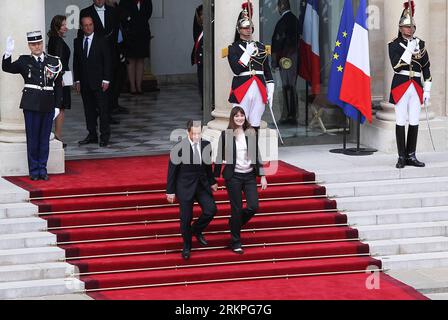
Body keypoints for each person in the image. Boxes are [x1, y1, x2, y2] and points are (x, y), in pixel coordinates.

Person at [2, 31, 62, 181]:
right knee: (33, 139)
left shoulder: (54, 61)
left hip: (48, 104)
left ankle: (43, 168)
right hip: (31, 104)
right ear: (29, 45)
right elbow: (7, 68)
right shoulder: (23, 61)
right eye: (33, 44)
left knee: (44, 139)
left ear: (43, 44)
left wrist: (57, 106)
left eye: (39, 43)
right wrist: (8, 52)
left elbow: (59, 86)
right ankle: (34, 170)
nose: (37, 46)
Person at [214, 107, 268, 254]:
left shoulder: (251, 133)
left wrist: (262, 175)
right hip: (234, 177)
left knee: (253, 206)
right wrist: (215, 178)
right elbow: (219, 156)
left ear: (245, 117)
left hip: (249, 175)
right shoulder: (226, 134)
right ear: (232, 118)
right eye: (236, 116)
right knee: (236, 209)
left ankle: (234, 224)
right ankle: (236, 242)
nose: (239, 118)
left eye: (242, 115)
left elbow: (257, 153)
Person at [166, 120, 218, 260]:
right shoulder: (179, 147)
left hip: (202, 186)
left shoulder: (206, 145)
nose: (197, 136)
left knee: (211, 210)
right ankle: (187, 246)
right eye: (194, 133)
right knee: (186, 218)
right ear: (188, 132)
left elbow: (207, 167)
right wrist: (170, 191)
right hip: (185, 187)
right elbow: (172, 171)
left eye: (199, 133)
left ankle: (196, 229)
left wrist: (212, 181)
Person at [388, 1, 431, 169]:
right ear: (400, 28)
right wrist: (408, 50)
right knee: (400, 120)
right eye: (406, 27)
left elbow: (426, 66)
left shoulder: (421, 43)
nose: (410, 29)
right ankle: (401, 156)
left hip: (417, 86)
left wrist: (427, 88)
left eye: (412, 26)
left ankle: (411, 155)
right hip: (401, 85)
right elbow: (396, 66)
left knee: (414, 121)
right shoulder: (393, 44)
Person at [228, 3, 274, 130]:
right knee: (239, 123)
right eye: (245, 27)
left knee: (255, 123)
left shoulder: (260, 46)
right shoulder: (233, 48)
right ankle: (239, 149)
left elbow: (267, 72)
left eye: (250, 27)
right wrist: (247, 53)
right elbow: (236, 69)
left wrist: (270, 90)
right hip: (242, 88)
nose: (248, 30)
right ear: (239, 30)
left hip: (259, 87)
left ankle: (252, 150)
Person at [78, 0, 121, 125]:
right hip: (93, 55)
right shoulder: (86, 12)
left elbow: (117, 31)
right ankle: (94, 120)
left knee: (110, 87)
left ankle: (108, 114)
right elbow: (82, 34)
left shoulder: (113, 11)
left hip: (111, 54)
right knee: (92, 92)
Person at [73, 15, 112, 147]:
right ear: (82, 26)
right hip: (84, 82)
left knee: (102, 110)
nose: (88, 27)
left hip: (100, 82)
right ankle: (92, 135)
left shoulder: (102, 40)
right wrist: (77, 80)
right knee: (88, 110)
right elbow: (76, 62)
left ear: (93, 25)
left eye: (90, 24)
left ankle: (105, 136)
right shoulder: (77, 41)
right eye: (86, 25)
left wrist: (106, 79)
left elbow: (107, 61)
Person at [271, 0, 301, 125]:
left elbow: (277, 43)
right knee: (292, 87)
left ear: (282, 6)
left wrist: (274, 62)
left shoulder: (283, 22)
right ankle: (293, 115)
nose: (278, 9)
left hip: (286, 59)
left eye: (278, 6)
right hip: (295, 58)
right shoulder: (295, 20)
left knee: (286, 87)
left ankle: (288, 117)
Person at [119, 0, 153, 95]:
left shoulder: (146, 1)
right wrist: (130, 20)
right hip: (130, 34)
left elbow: (148, 13)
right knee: (131, 59)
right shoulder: (125, 1)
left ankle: (139, 86)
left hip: (143, 33)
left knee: (140, 59)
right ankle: (132, 86)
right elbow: (122, 14)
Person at [48, 15, 71, 148]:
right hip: (60, 78)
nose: (65, 27)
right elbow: (58, 61)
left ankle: (57, 136)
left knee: (59, 106)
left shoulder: (54, 39)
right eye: (63, 25)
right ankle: (57, 136)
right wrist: (60, 78)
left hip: (60, 77)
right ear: (57, 26)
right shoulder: (57, 41)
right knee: (60, 107)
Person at [191, 4, 204, 110]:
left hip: (207, 60)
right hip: (201, 60)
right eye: (200, 15)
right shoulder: (199, 28)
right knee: (201, 83)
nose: (202, 16)